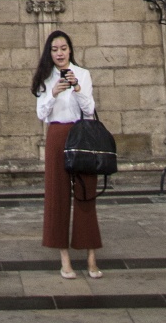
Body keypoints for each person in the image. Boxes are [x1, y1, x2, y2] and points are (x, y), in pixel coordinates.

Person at [32, 30, 102, 279]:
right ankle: (65, 258)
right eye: (54, 49)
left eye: (63, 48)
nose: (59, 53)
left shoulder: (82, 73)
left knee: (86, 193)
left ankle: (91, 256)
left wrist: (77, 87)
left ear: (70, 50)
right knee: (57, 195)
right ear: (49, 53)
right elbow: (41, 114)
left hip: (81, 134)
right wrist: (53, 93)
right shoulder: (44, 77)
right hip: (57, 135)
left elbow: (90, 109)